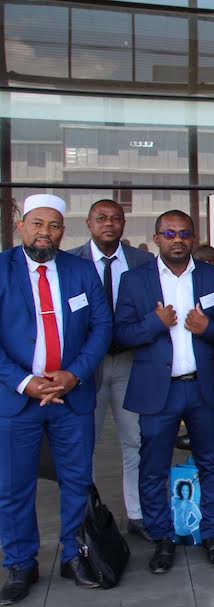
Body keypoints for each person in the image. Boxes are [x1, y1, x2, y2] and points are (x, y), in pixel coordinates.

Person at [0, 195, 112, 604]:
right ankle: (21, 564)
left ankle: (75, 555)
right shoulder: (2, 269)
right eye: (37, 224)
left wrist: (74, 374)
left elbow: (102, 326)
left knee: (76, 480)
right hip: (17, 401)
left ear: (64, 231)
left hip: (72, 397)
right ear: (21, 227)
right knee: (14, 487)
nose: (45, 233)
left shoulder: (80, 270)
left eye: (54, 226)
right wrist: (25, 382)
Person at [115, 209, 214, 574]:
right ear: (156, 239)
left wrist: (208, 329)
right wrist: (155, 323)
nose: (177, 239)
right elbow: (121, 335)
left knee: (211, 463)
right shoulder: (135, 281)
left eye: (183, 233)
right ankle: (162, 538)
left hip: (202, 388)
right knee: (153, 468)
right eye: (169, 233)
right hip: (157, 391)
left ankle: (212, 535)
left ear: (193, 239)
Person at [67, 198, 155, 541]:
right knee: (82, 443)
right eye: (101, 218)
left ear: (123, 224)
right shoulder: (70, 261)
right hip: (85, 366)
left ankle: (137, 514)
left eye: (115, 218)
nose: (109, 224)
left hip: (130, 361)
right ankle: (87, 516)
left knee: (135, 439)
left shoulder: (143, 261)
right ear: (89, 224)